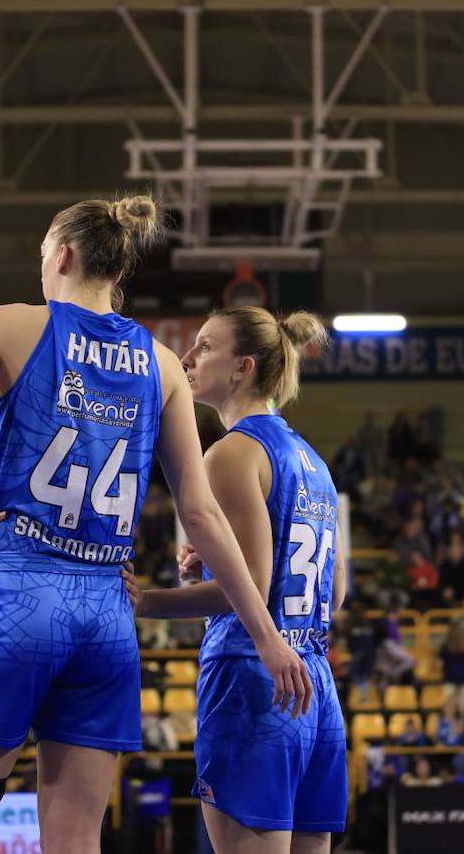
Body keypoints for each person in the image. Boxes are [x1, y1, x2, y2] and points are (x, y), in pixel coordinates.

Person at [0, 195, 312, 854]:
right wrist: (267, 636)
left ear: (64, 254)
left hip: (12, 602)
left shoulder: (14, 325)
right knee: (77, 839)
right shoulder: (165, 365)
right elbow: (199, 513)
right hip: (104, 619)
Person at [135, 307, 347, 853]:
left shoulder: (230, 453)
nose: (187, 357)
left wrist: (143, 601)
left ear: (242, 368)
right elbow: (335, 591)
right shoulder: (314, 460)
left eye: (204, 346)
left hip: (255, 677)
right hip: (315, 684)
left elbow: (252, 584)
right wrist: (215, 569)